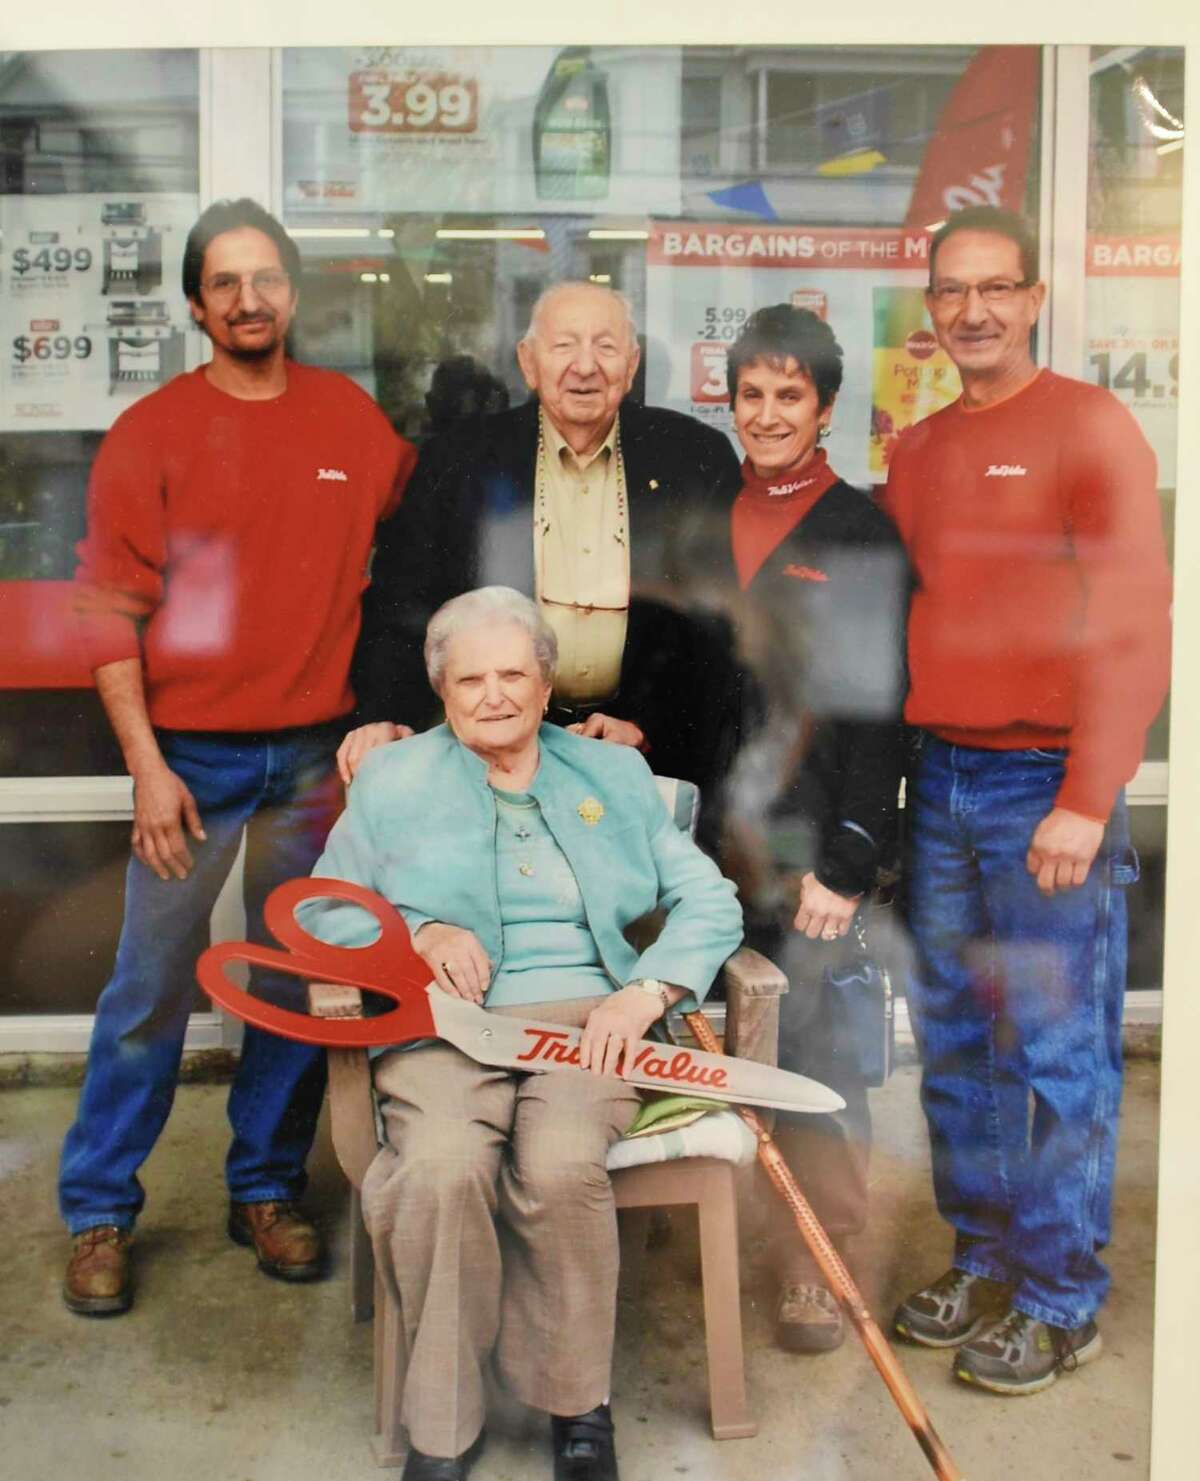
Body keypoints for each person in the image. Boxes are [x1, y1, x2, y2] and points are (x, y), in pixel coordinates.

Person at [303, 586, 742, 1481]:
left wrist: (650, 989)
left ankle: (577, 1410)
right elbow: (324, 909)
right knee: (442, 1166)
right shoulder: (393, 781)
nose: (494, 695)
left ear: (548, 682)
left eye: (514, 674)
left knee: (559, 1162)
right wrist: (414, 934)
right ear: (441, 690)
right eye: (471, 678)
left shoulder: (615, 778)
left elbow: (711, 903)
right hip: (447, 1023)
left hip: (592, 1019)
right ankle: (443, 1426)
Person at [58, 198, 416, 1316]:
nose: (250, 299)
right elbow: (109, 613)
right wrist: (147, 767)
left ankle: (262, 1187)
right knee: (147, 988)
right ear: (197, 304)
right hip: (192, 759)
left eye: (267, 278)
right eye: (226, 282)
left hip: (316, 754)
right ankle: (99, 1210)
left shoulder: (350, 423)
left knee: (297, 982)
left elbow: (416, 544)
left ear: (292, 294)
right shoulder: (151, 433)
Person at [885, 206, 1172, 1393]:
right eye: (953, 293)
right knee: (957, 1041)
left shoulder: (1090, 426)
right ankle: (987, 1254)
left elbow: (1135, 623)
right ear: (932, 309)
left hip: (1040, 787)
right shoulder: (920, 448)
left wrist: (1089, 792)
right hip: (939, 776)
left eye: (998, 288)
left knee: (1056, 1049)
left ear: (1038, 296)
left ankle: (1061, 1294)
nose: (975, 312)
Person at [343, 281, 745, 826]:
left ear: (631, 366)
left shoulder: (694, 458)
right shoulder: (458, 459)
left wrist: (646, 725)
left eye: (605, 347)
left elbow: (714, 626)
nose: (585, 366)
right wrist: (384, 717)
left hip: (632, 756)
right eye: (564, 346)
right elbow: (402, 603)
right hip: (485, 751)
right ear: (528, 364)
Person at [716, 305, 907, 1354]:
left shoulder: (858, 531)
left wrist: (848, 858)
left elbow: (879, 714)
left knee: (822, 1055)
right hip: (711, 837)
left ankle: (818, 1264)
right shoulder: (708, 509)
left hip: (808, 856)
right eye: (752, 394)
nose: (769, 414)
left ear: (825, 409)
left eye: (790, 395)